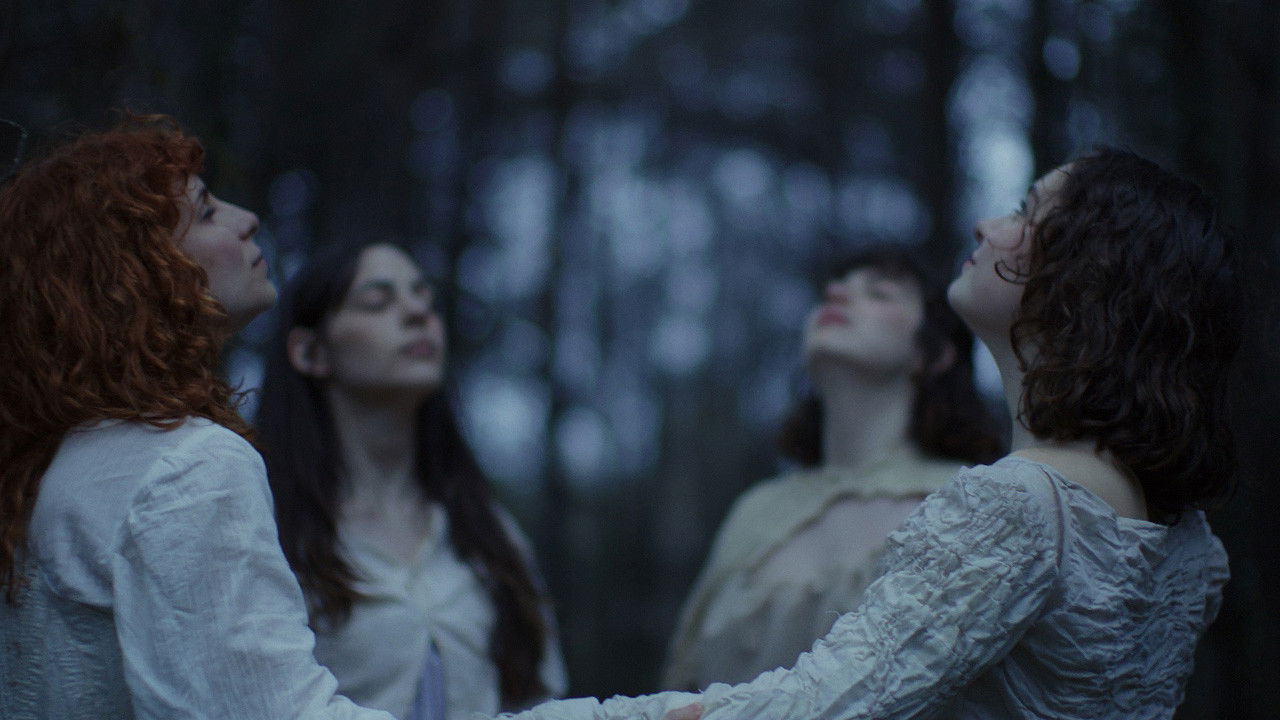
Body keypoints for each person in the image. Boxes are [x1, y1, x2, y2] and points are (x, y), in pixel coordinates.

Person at [489, 147, 1241, 719]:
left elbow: (811, 709)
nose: (987, 226)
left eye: (1027, 213)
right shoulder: (1191, 546)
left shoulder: (1016, 505)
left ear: (1086, 276)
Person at [0, 116, 397, 718]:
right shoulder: (186, 467)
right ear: (133, 272)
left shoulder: (50, 466)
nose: (248, 219)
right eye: (208, 213)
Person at [662, 248, 1002, 690]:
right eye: (834, 289)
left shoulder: (967, 501)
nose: (837, 294)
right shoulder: (756, 510)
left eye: (880, 293)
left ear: (933, 355)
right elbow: (683, 684)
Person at [255, 241, 567, 720]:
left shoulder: (489, 533)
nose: (418, 313)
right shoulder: (268, 526)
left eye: (425, 298)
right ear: (310, 352)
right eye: (377, 301)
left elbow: (544, 701)